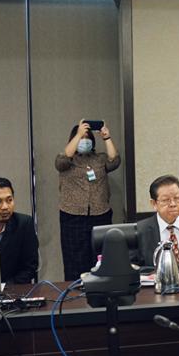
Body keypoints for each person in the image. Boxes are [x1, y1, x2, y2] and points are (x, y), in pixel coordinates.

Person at [56, 119, 120, 284]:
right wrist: (78, 134)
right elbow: (62, 160)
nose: (85, 140)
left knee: (100, 259)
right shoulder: (67, 160)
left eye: (87, 137)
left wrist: (106, 137)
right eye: (81, 137)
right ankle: (75, 295)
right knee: (74, 260)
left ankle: (101, 293)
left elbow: (115, 161)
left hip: (100, 215)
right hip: (73, 216)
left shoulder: (99, 159)